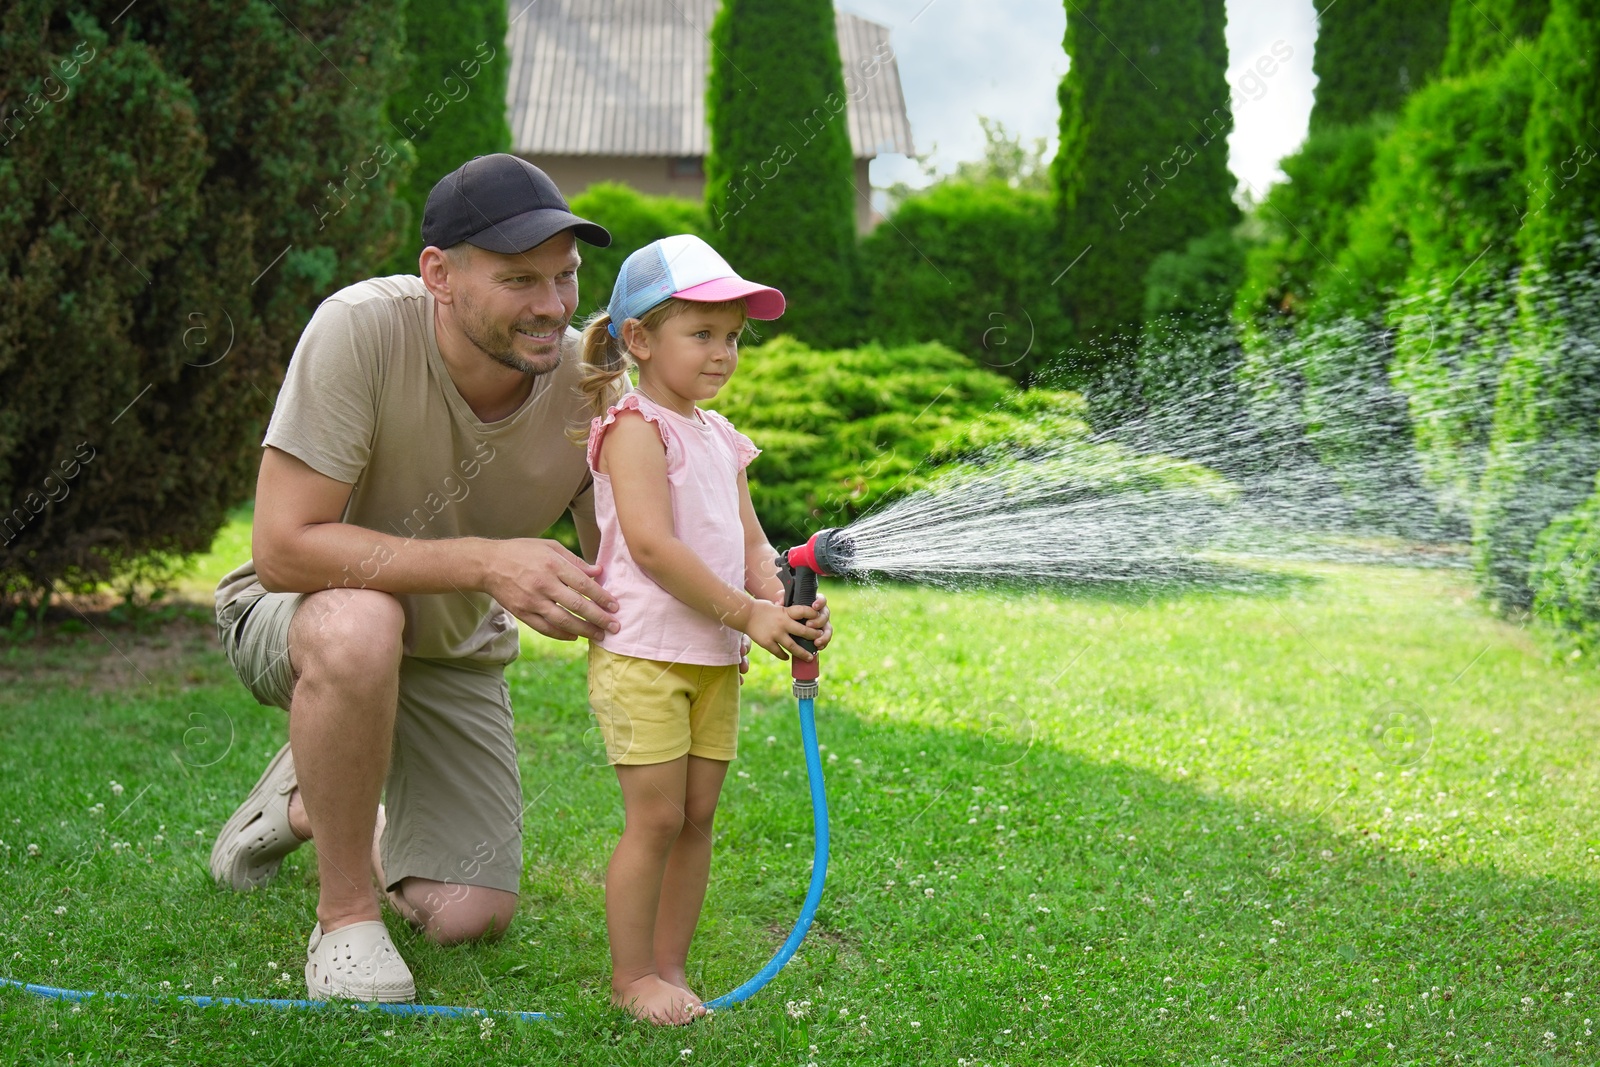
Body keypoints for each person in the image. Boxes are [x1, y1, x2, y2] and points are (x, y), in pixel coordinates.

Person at [208, 156, 834, 1004]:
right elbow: (284, 548)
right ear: (440, 273)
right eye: (518, 280)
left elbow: (626, 551)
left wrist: (757, 602)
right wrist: (487, 560)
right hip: (304, 615)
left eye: (565, 277)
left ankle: (309, 797)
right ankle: (346, 914)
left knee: (470, 912)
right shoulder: (359, 329)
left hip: (452, 649)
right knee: (363, 624)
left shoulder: (593, 387)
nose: (551, 305)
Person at [576, 235, 827, 1025]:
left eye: (733, 338)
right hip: (645, 656)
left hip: (713, 658)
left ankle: (670, 966)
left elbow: (753, 544)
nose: (723, 353)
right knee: (654, 817)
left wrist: (779, 602)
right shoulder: (633, 428)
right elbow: (652, 547)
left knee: (695, 819)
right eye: (703, 333)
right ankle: (631, 976)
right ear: (641, 340)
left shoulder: (719, 437)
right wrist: (747, 613)